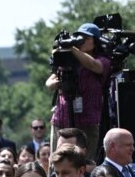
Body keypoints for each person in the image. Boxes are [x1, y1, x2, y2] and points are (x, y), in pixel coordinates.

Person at [46, 23, 111, 161]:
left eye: (87, 38)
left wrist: (72, 48)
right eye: (80, 36)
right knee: (57, 161)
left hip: (87, 120)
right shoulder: (68, 58)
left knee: (85, 162)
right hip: (62, 119)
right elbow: (50, 81)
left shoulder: (103, 60)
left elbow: (93, 65)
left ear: (95, 42)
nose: (82, 39)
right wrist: (54, 84)